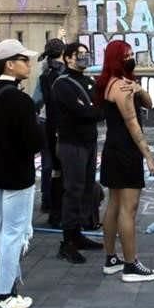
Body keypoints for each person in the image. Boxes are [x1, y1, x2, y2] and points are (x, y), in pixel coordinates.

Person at [0, 39, 42, 308]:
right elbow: (33, 141)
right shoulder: (19, 100)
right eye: (24, 60)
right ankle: (1, 294)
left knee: (4, 231)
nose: (29, 64)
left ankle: (9, 286)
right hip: (16, 173)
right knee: (14, 233)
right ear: (10, 64)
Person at [96, 40, 154, 282]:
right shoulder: (120, 87)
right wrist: (149, 157)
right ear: (116, 59)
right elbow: (133, 124)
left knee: (114, 204)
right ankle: (131, 265)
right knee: (128, 209)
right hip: (126, 151)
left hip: (113, 149)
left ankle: (111, 259)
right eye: (127, 55)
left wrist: (138, 88)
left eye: (132, 54)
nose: (131, 59)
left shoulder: (115, 83)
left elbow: (149, 103)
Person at [53, 42, 106, 263]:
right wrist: (93, 109)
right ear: (68, 58)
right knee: (73, 191)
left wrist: (94, 109)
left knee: (86, 188)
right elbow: (84, 112)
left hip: (88, 142)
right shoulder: (63, 84)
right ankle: (67, 242)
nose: (84, 57)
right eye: (79, 54)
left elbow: (98, 108)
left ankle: (77, 235)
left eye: (86, 53)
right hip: (71, 143)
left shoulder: (88, 81)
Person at [36, 36, 66, 218]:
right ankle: (57, 200)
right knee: (60, 163)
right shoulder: (64, 73)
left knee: (48, 163)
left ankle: (47, 200)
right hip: (59, 123)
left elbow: (36, 99)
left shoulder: (44, 73)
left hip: (45, 121)